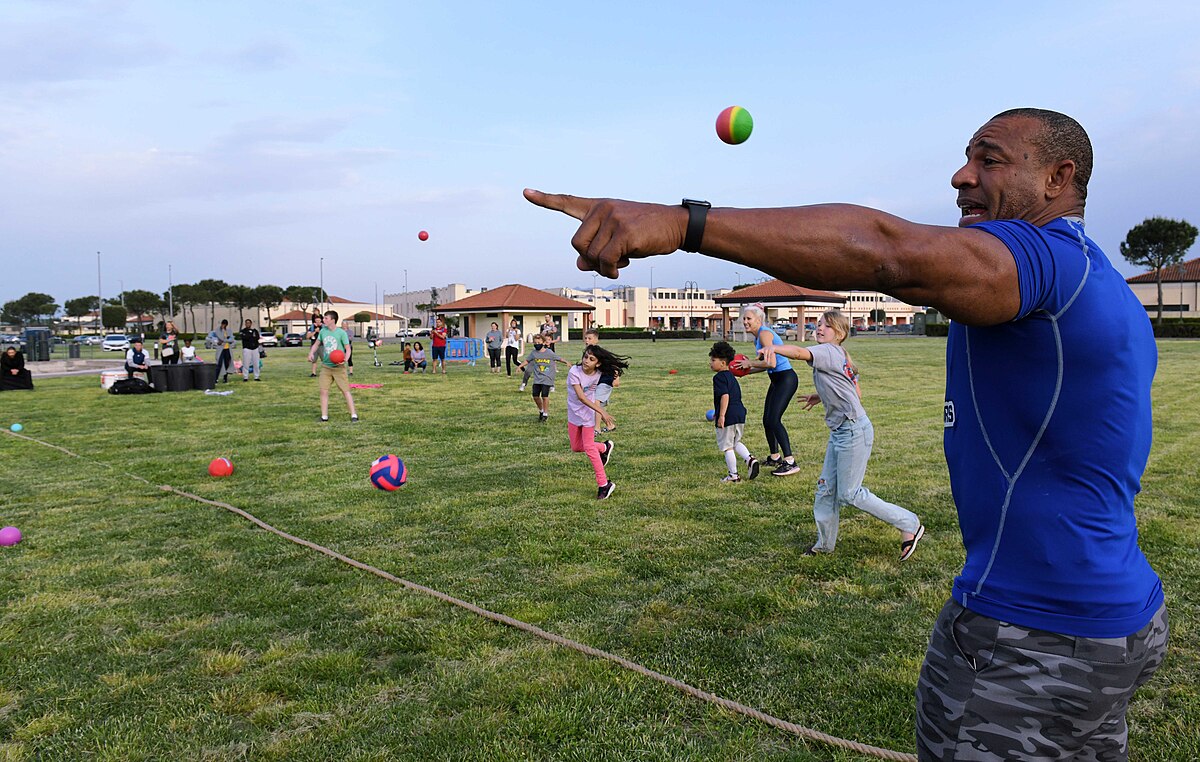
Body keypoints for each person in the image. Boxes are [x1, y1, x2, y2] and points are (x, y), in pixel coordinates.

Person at [525, 108, 1168, 761]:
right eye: (966, 157)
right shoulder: (1102, 285)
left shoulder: (1050, 262)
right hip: (1107, 612)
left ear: (1060, 178)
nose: (961, 175)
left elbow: (888, 252)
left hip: (1037, 627)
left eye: (989, 160)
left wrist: (683, 223)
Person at [766, 310, 923, 558]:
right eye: (818, 324)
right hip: (842, 431)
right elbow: (855, 392)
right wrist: (822, 396)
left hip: (853, 431)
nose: (819, 329)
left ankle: (909, 523)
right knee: (825, 489)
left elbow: (798, 353)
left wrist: (774, 348)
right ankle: (824, 545)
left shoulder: (828, 351)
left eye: (825, 326)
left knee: (850, 494)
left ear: (838, 333)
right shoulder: (840, 355)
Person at [733, 305, 801, 476]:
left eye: (749, 318)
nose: (745, 321)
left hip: (786, 379)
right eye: (744, 318)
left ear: (759, 320)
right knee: (767, 419)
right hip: (776, 379)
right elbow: (765, 366)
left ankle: (790, 462)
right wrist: (745, 372)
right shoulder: (758, 338)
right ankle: (775, 457)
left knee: (774, 419)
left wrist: (750, 364)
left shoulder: (764, 334)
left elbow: (771, 363)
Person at [566, 345, 627, 500]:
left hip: (588, 414)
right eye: (586, 357)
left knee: (589, 449)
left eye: (591, 359)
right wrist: (602, 412)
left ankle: (604, 484)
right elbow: (581, 397)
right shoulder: (574, 372)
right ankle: (604, 446)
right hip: (574, 413)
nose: (586, 361)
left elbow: (615, 381)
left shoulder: (600, 372)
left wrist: (615, 376)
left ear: (598, 363)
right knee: (576, 447)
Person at [708, 341, 759, 483]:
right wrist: (717, 413)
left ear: (723, 363)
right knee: (736, 441)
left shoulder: (718, 378)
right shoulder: (732, 377)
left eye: (713, 360)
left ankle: (733, 476)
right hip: (739, 414)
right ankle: (750, 459)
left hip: (728, 415)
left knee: (727, 446)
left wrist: (722, 415)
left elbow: (725, 396)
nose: (710, 363)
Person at [309, 310, 358, 422]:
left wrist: (345, 359)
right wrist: (311, 352)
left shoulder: (341, 333)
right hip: (326, 367)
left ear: (332, 320)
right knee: (323, 390)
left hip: (338, 367)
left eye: (326, 318)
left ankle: (354, 415)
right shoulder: (323, 331)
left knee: (345, 390)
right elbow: (316, 344)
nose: (323, 320)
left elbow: (348, 348)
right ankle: (324, 416)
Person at [518, 333, 568, 422]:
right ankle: (541, 410)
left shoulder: (549, 352)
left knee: (545, 396)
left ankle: (545, 414)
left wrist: (567, 362)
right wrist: (520, 366)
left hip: (547, 378)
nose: (537, 344)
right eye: (535, 342)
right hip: (537, 378)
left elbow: (558, 358)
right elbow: (527, 360)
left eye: (539, 342)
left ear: (544, 342)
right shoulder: (533, 353)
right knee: (535, 396)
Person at [583, 328, 621, 431]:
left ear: (596, 340)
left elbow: (613, 364)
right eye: (585, 338)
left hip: (606, 380)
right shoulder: (588, 352)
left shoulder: (599, 352)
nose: (587, 340)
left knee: (596, 402)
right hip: (598, 381)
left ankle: (597, 428)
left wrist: (616, 378)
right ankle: (610, 425)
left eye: (590, 338)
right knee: (596, 405)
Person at [306, 310, 323, 377]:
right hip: (314, 346)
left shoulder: (324, 327)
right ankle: (314, 373)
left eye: (319, 320)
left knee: (324, 360)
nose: (318, 321)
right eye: (316, 320)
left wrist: (320, 331)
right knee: (314, 360)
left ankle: (324, 373)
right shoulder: (312, 327)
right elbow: (307, 336)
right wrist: (315, 332)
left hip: (322, 345)